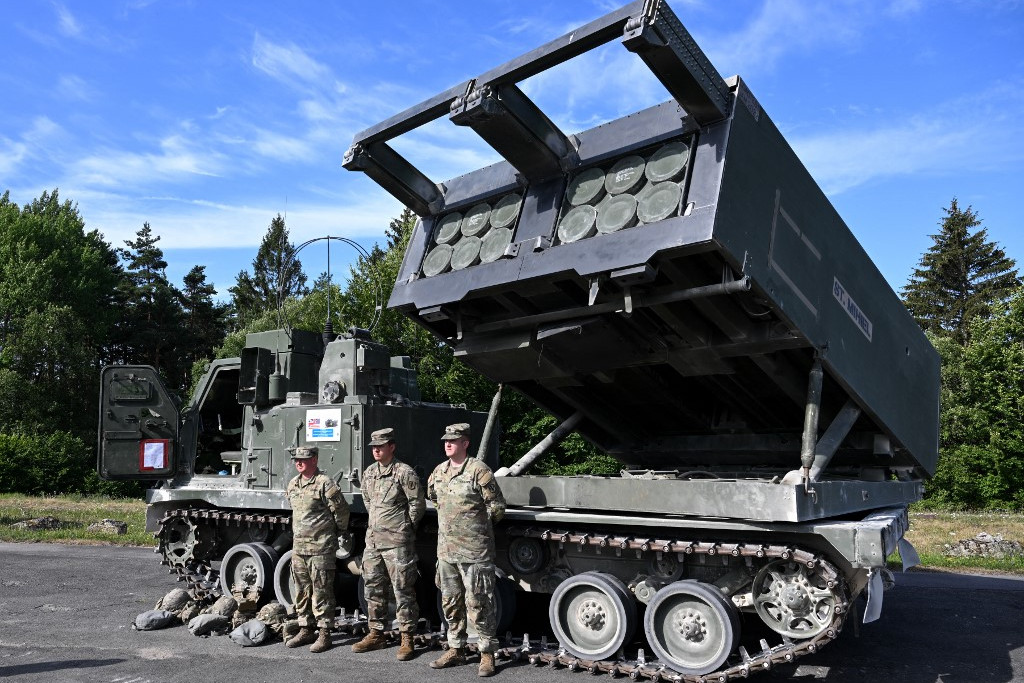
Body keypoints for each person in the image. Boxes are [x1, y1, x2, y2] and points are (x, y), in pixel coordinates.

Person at [427, 422, 506, 677]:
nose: (447, 443)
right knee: (451, 603)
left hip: (474, 551)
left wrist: (476, 529)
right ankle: (456, 649)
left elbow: (497, 508)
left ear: (465, 443)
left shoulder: (479, 471)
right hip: (447, 551)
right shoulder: (439, 472)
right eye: (445, 440)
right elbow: (434, 498)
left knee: (479, 603)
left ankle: (486, 653)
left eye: (453, 440)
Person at [351, 427, 426, 660]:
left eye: (380, 447)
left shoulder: (404, 472)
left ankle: (407, 637)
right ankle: (376, 634)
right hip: (373, 542)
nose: (375, 451)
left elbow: (417, 505)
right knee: (372, 588)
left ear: (391, 447)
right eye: (373, 447)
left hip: (397, 543)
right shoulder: (370, 473)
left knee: (402, 590)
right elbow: (367, 501)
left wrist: (404, 527)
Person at [285, 444, 350, 653]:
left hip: (321, 547)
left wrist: (337, 532)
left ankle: (324, 634)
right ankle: (305, 629)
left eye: (303, 459)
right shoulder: (293, 484)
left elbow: (341, 511)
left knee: (322, 592)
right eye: (296, 459)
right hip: (299, 548)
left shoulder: (325, 483)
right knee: (301, 591)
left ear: (314, 460)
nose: (299, 462)